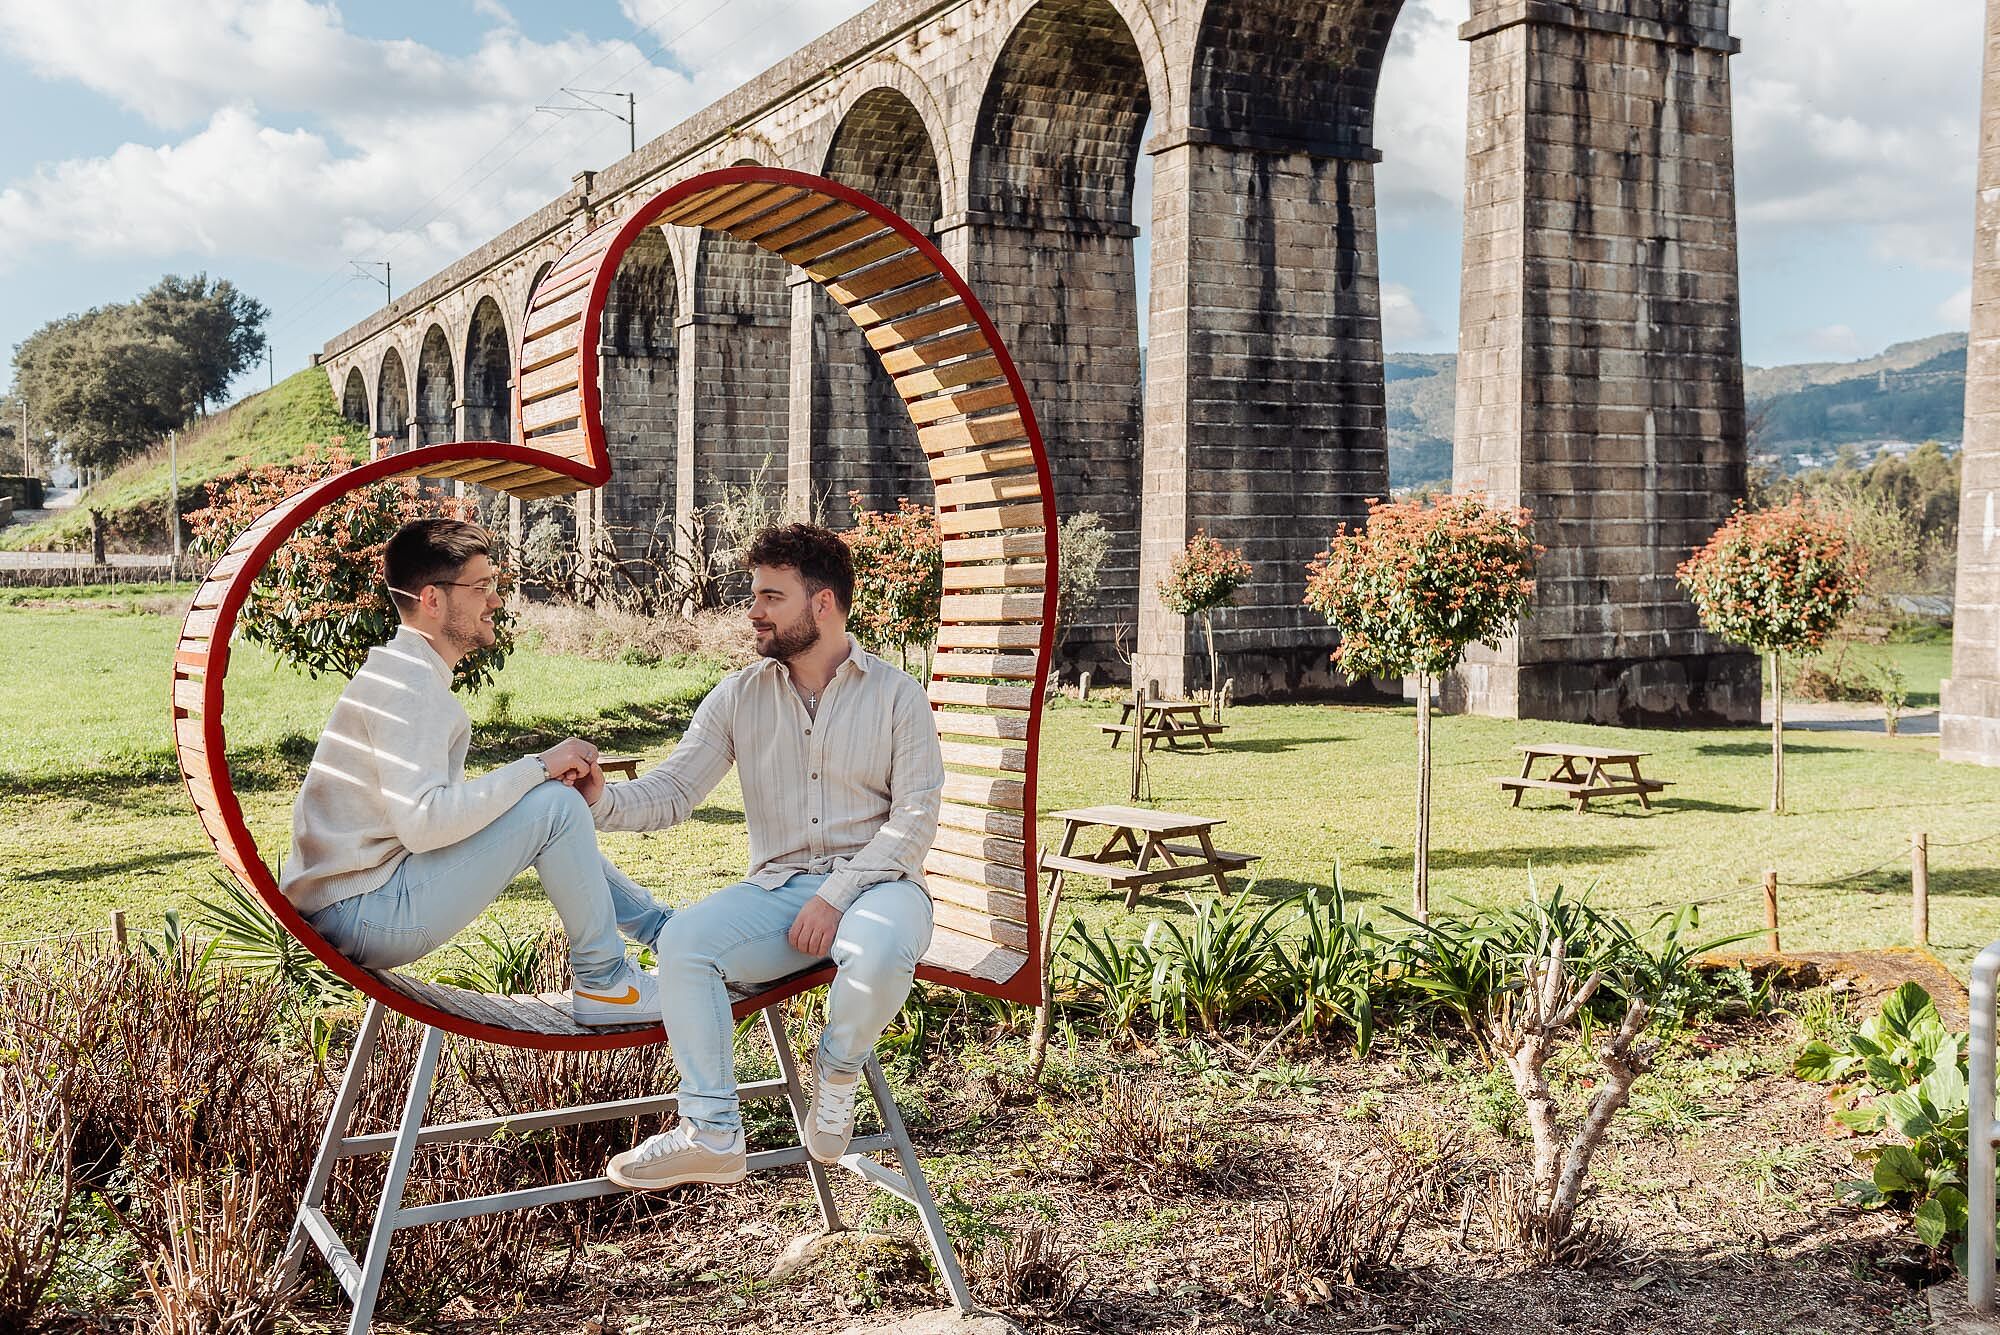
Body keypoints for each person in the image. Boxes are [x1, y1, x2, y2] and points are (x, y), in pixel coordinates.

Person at [582, 522, 944, 1189]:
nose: (754, 610)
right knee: (687, 941)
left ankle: (837, 1070)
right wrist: (602, 798)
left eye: (772, 596)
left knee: (882, 949)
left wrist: (835, 896)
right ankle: (713, 1132)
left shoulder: (898, 695)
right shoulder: (740, 695)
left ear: (823, 605)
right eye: (756, 594)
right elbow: (672, 792)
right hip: (779, 893)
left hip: (881, 886)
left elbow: (915, 819)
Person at [278, 517, 668, 1026]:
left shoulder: (401, 670)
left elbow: (441, 820)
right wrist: (538, 767)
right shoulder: (409, 686)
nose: (497, 600)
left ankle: (665, 933)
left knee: (547, 806)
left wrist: (535, 776)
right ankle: (606, 983)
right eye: (482, 586)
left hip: (355, 903)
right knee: (553, 806)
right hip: (365, 910)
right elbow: (425, 824)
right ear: (433, 599)